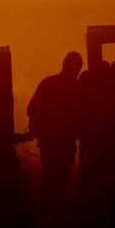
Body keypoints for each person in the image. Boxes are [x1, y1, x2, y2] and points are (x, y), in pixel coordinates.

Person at [27, 51, 83, 198]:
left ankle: (49, 212)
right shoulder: (77, 88)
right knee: (59, 182)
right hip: (60, 143)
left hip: (51, 143)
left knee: (51, 181)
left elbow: (31, 108)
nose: (78, 70)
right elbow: (32, 109)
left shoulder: (47, 83)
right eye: (77, 66)